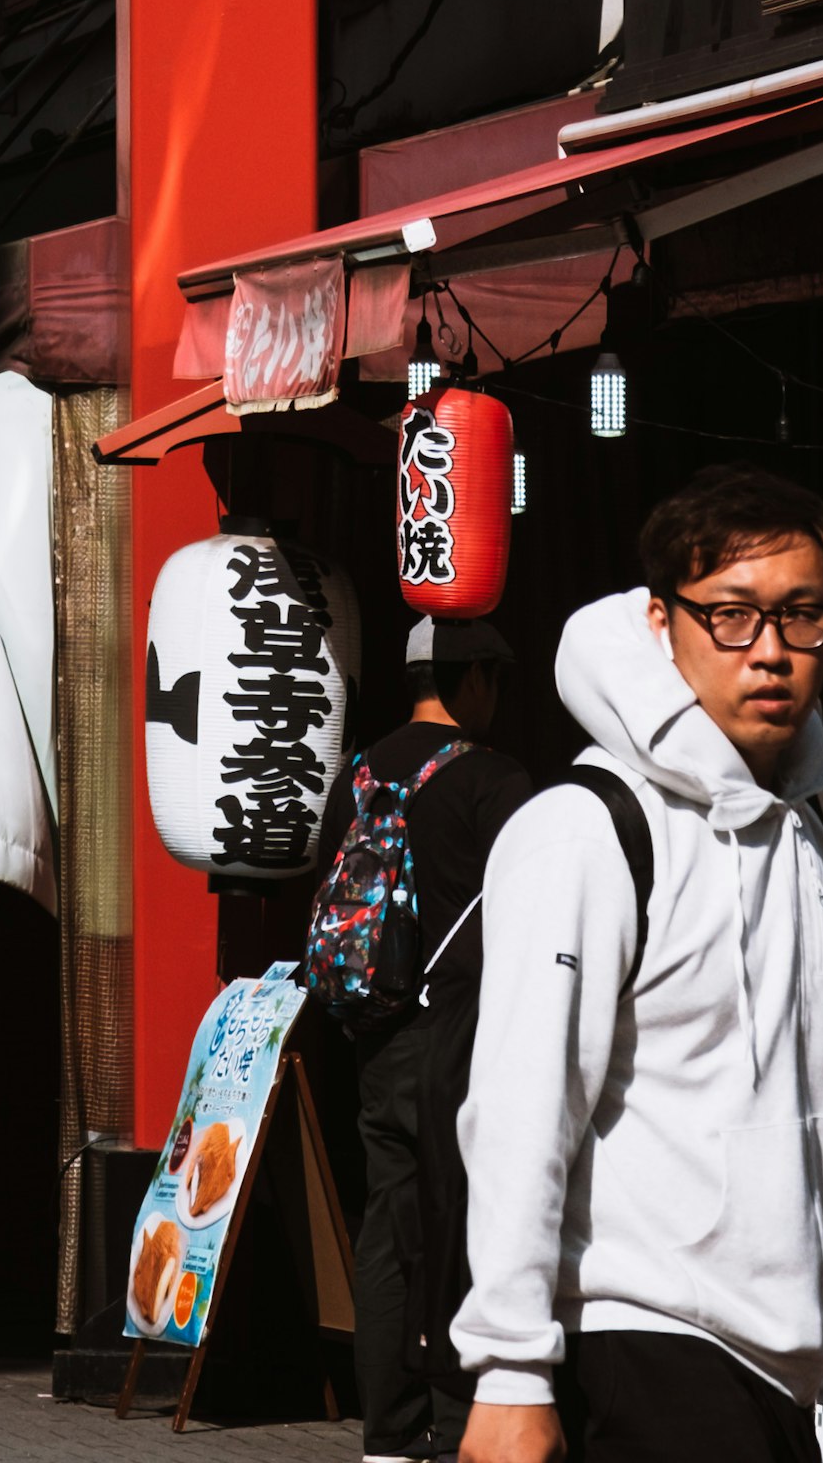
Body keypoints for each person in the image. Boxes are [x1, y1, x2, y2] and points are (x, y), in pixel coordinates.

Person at [449, 470, 823, 1463]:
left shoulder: (816, 830)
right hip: (641, 1339)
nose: (773, 653)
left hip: (790, 1366)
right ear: (662, 623)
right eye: (733, 617)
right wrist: (510, 1372)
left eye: (802, 617)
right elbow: (523, 1108)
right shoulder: (587, 830)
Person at [300, 613, 530, 1457]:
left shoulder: (359, 772)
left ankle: (388, 1430)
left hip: (380, 1033)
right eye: (495, 679)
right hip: (467, 1034)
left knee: (390, 1224)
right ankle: (462, 1417)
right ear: (475, 679)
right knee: (469, 1220)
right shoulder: (495, 780)